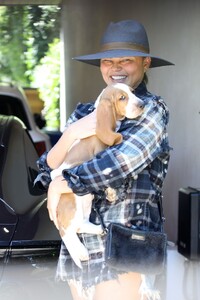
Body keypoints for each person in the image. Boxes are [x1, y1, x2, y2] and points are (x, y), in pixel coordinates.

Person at [36, 20, 173, 300]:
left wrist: (61, 183)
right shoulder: (84, 112)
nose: (115, 68)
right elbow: (44, 170)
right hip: (81, 250)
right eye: (108, 61)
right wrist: (73, 131)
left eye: (126, 60)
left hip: (125, 248)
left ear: (146, 63)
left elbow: (117, 164)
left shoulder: (152, 112)